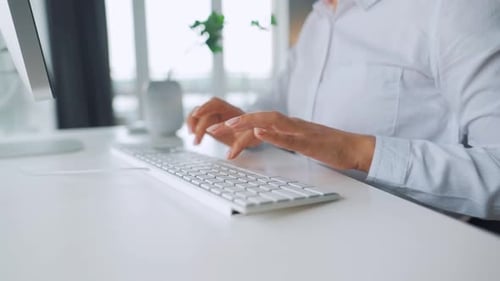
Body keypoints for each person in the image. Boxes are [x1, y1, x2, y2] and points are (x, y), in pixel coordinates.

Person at [187, 0, 500, 223]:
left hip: (418, 245)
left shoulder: (453, 8)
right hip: (306, 221)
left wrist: (358, 151)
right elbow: (279, 105)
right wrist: (244, 122)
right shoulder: (316, 20)